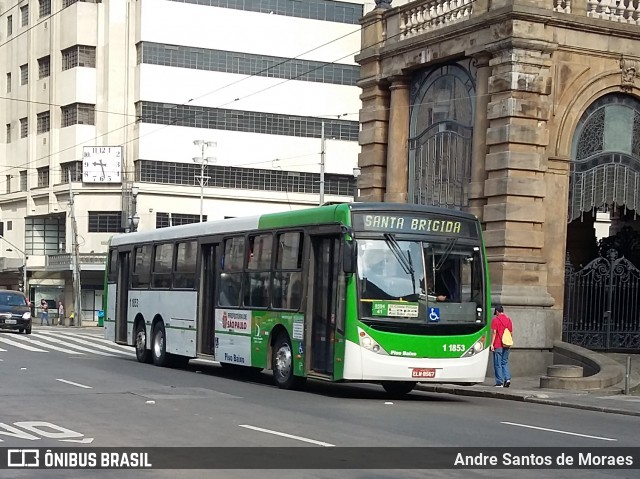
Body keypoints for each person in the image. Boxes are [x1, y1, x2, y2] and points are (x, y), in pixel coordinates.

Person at [490, 305, 513, 387]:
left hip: (498, 344)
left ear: (497, 311)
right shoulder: (508, 320)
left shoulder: (495, 320)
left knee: (497, 364)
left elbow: (494, 333)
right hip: (506, 344)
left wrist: (492, 344)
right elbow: (510, 333)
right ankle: (507, 379)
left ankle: (499, 382)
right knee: (504, 362)